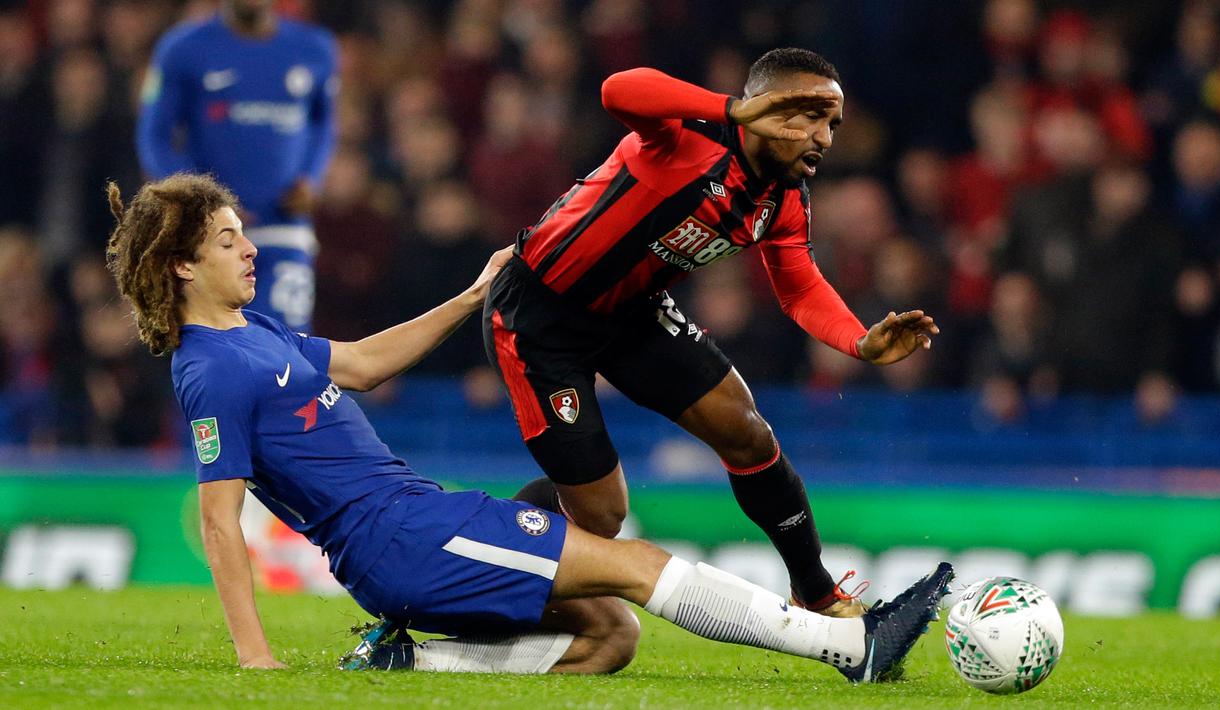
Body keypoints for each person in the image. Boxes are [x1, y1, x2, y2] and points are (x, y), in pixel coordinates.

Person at [104, 172, 952, 680]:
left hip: (418, 520)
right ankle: (850, 647)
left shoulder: (254, 334)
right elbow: (220, 525)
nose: (248, 249)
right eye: (226, 240)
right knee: (635, 566)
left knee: (608, 639)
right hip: (398, 540)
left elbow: (361, 363)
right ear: (183, 265)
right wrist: (254, 658)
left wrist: (473, 296)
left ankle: (412, 661)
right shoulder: (209, 371)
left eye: (244, 234)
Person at [482, 48, 939, 617]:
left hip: (631, 314)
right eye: (812, 117)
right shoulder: (687, 136)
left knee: (745, 430)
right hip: (541, 315)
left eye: (833, 124)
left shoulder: (785, 198)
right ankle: (481, 565)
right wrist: (733, 108)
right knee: (601, 515)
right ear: (769, 108)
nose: (824, 137)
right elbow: (618, 88)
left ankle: (818, 596)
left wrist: (857, 341)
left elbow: (797, 288)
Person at [136, 0, 337, 331]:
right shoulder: (182, 48)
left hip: (283, 230)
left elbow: (323, 126)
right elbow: (154, 139)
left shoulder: (315, 48)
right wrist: (205, 205)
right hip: (210, 236)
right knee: (218, 350)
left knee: (289, 348)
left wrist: (311, 180)